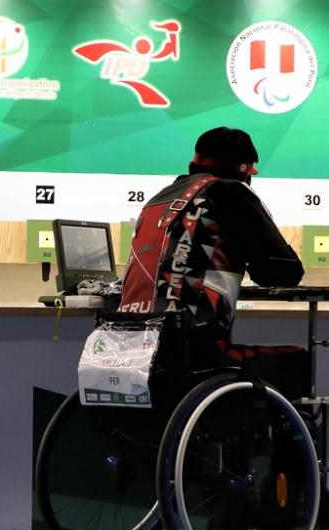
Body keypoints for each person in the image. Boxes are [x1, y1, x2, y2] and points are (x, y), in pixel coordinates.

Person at [118, 126, 307, 399]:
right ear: (244, 170)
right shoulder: (232, 192)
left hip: (131, 347)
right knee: (296, 362)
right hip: (192, 354)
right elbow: (283, 271)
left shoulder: (158, 198)